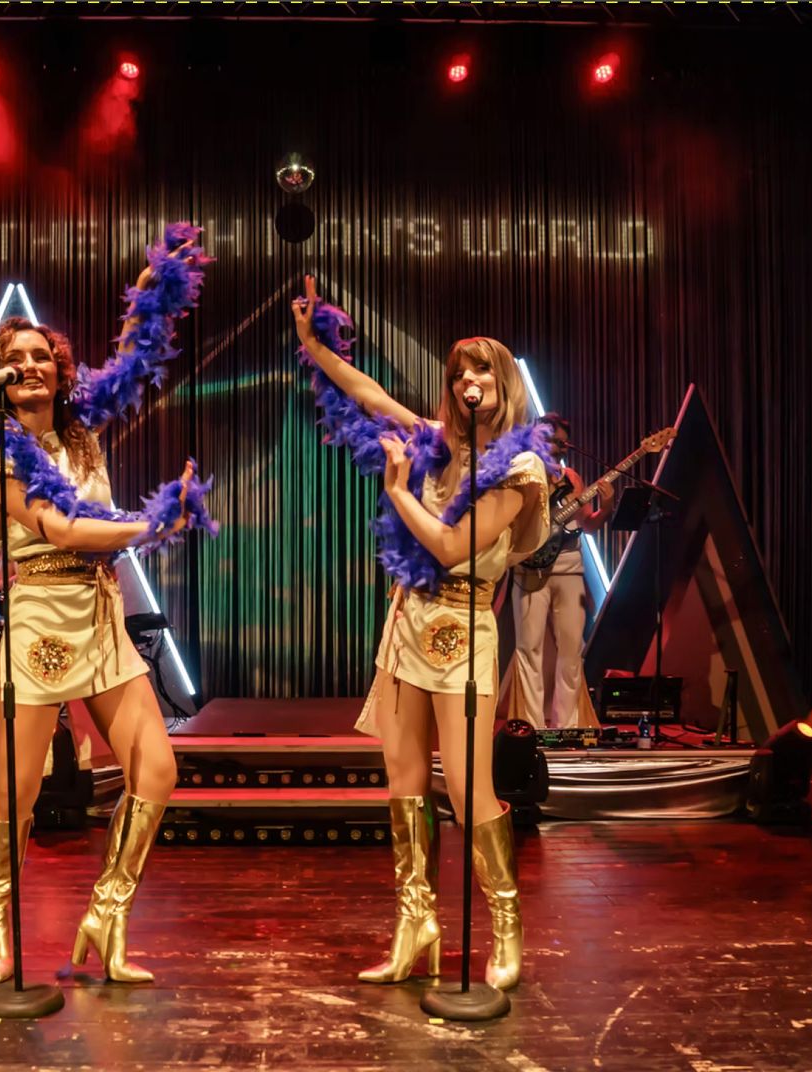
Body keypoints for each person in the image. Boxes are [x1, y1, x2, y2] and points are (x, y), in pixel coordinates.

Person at [0, 226, 215, 984]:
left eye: (43, 355)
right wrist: (152, 524)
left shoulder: (79, 436)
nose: (32, 364)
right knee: (17, 791)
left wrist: (156, 289)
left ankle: (108, 912)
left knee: (156, 770)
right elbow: (61, 528)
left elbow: (132, 361)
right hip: (39, 622)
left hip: (99, 618)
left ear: (59, 370)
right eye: (17, 357)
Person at [292, 277, 552, 991]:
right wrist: (316, 347)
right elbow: (372, 396)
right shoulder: (438, 444)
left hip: (464, 628)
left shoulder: (521, 467)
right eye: (460, 371)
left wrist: (398, 492)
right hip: (409, 619)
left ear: (503, 382)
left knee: (467, 789)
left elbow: (449, 546)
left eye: (482, 370)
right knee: (403, 784)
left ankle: (505, 920)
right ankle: (416, 926)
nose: (469, 380)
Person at [509, 413, 613, 730]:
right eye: (554, 440)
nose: (559, 447)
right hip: (529, 571)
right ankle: (531, 728)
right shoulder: (520, 474)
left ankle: (568, 727)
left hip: (569, 570)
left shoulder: (572, 479)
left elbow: (589, 526)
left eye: (563, 442)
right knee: (529, 650)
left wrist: (607, 507)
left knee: (571, 651)